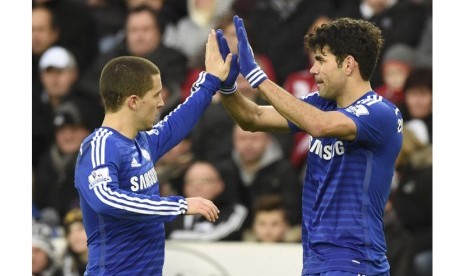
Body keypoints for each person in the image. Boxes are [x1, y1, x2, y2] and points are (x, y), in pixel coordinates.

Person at [215, 16, 403, 275]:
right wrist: (227, 87)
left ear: (348, 64)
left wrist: (260, 77)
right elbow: (253, 118)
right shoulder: (320, 103)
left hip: (354, 259)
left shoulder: (381, 112)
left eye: (321, 60)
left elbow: (320, 126)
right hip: (315, 257)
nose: (313, 70)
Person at [74, 29, 232, 275]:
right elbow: (105, 199)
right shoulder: (99, 146)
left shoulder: (141, 142)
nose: (161, 102)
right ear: (134, 101)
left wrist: (211, 80)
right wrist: (178, 205)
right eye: (156, 95)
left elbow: (176, 123)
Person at [165, 161, 247, 241]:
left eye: (205, 181)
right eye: (191, 181)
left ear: (220, 185)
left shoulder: (235, 210)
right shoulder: (172, 210)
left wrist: (172, 236)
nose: (197, 186)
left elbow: (215, 237)